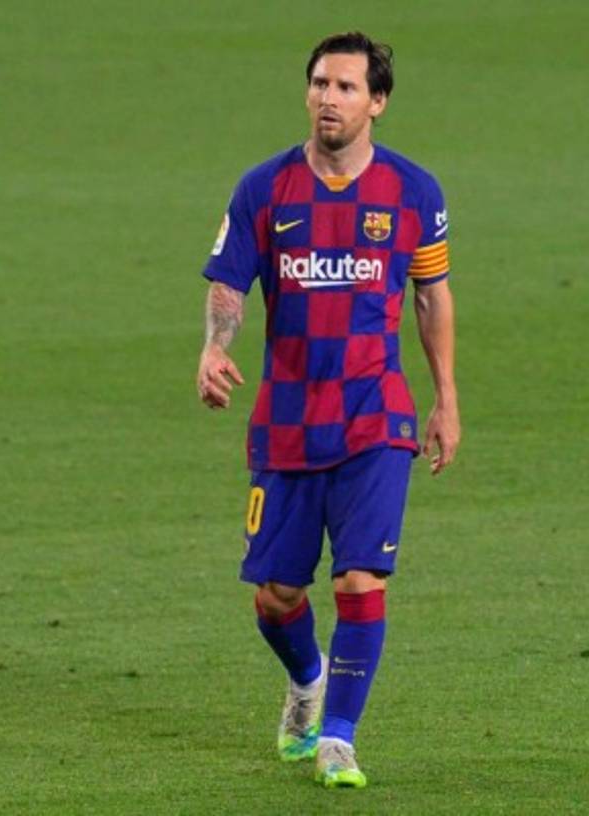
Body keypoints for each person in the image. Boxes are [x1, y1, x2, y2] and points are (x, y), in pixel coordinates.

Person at [195, 31, 459, 790]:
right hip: (285, 417)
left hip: (377, 413)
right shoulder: (264, 189)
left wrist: (445, 398)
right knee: (275, 597)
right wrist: (214, 347)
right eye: (319, 84)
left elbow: (431, 297)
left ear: (377, 102)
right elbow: (228, 283)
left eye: (345, 87)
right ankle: (307, 682)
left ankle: (339, 737)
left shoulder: (414, 193)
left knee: (359, 582)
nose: (327, 99)